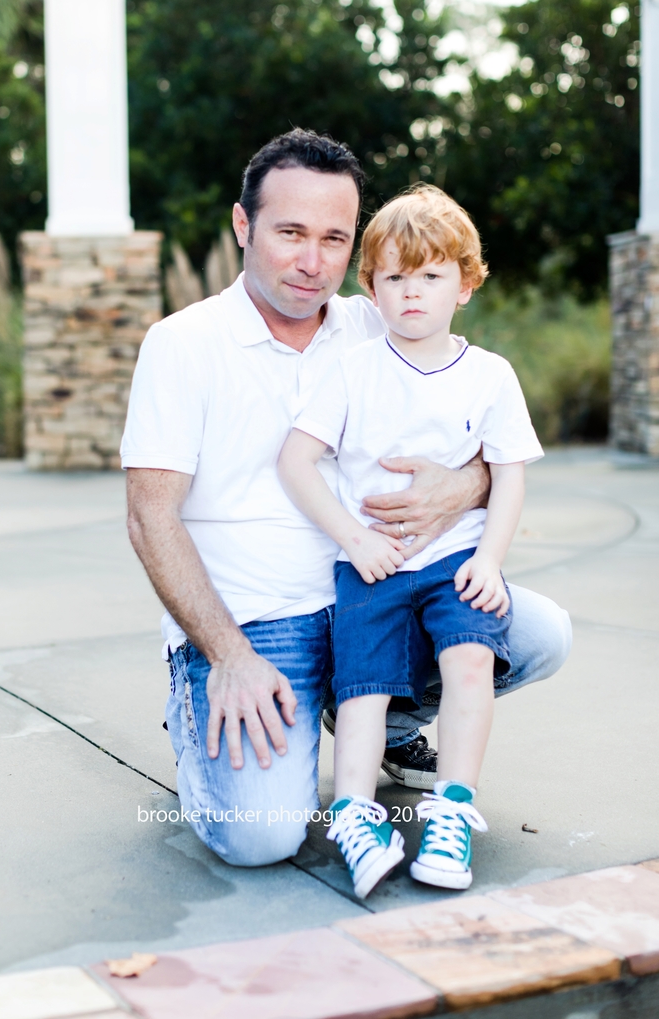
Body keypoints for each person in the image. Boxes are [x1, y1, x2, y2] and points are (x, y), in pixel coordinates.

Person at [122, 129, 571, 869]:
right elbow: (149, 517)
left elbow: (492, 445)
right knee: (261, 836)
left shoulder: (377, 320)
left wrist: (462, 487)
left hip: (383, 587)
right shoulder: (183, 343)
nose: (312, 261)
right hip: (259, 622)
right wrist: (226, 654)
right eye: (290, 232)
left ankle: (388, 717)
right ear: (243, 225)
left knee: (536, 633)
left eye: (334, 238)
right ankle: (200, 710)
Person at [279, 185, 543, 897]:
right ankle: (356, 816)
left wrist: (489, 557)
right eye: (394, 277)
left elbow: (509, 476)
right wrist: (352, 540)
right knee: (363, 689)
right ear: (372, 287)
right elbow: (295, 462)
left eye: (430, 275)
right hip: (372, 562)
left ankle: (452, 808)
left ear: (465, 282)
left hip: (457, 558)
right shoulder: (353, 370)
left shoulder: (490, 376)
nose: (412, 292)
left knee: (468, 664)